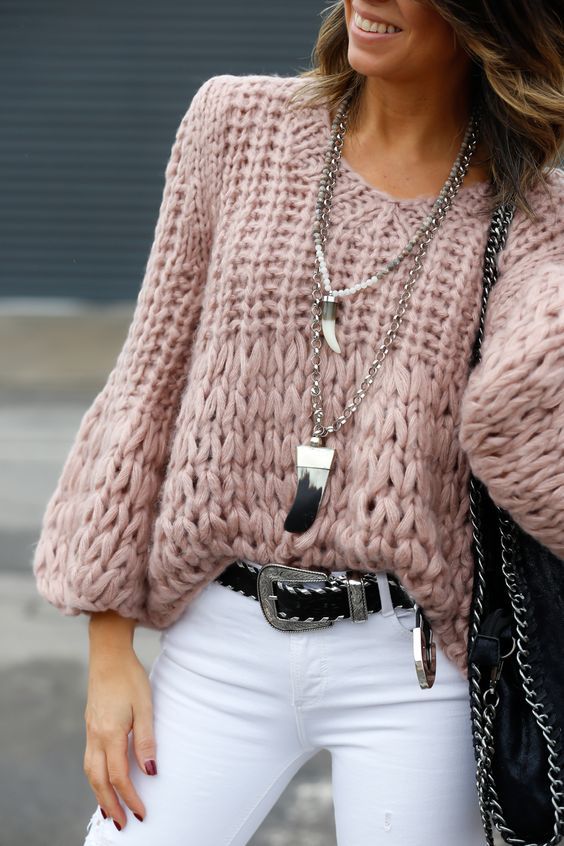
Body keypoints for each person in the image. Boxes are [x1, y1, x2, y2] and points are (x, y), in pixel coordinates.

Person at [32, 0, 563, 844]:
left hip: (413, 669)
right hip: (220, 641)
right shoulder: (236, 125)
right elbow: (148, 381)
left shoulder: (533, 214)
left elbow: (523, 433)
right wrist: (109, 651)